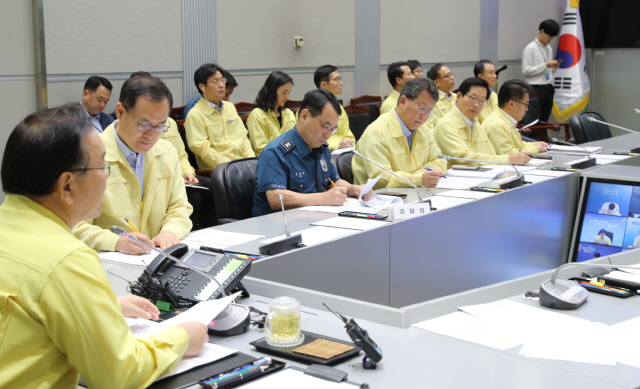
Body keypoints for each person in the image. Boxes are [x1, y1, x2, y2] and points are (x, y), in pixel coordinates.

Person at [0, 103, 208, 388]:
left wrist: (104, 306)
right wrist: (182, 338)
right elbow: (118, 373)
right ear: (67, 186)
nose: (107, 177)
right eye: (103, 166)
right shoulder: (67, 259)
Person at [74, 75, 193, 254]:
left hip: (156, 258)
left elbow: (180, 206)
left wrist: (170, 231)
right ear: (120, 112)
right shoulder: (87, 156)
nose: (152, 135)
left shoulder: (167, 151)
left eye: (160, 126)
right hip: (110, 262)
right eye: (144, 125)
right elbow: (75, 224)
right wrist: (116, 242)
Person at [252, 89, 372, 217]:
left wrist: (355, 189)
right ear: (304, 116)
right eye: (325, 127)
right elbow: (276, 198)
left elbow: (333, 181)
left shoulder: (321, 147)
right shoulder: (276, 152)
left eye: (333, 129)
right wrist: (322, 198)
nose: (328, 135)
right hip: (278, 227)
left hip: (313, 220)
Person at [352, 78, 446, 190]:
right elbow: (380, 178)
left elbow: (439, 160)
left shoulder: (422, 128)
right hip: (381, 200)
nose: (425, 116)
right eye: (422, 108)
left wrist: (419, 177)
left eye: (429, 111)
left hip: (415, 193)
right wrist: (418, 179)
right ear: (403, 101)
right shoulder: (376, 133)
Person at [434, 77, 532, 168]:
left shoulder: (477, 126)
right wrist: (508, 159)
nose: (477, 105)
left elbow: (491, 155)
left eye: (482, 101)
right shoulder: (446, 124)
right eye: (473, 98)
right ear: (459, 96)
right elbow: (463, 158)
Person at [185, 63, 255, 170]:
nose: (222, 85)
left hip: (243, 165)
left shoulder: (230, 107)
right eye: (215, 81)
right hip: (220, 170)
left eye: (222, 80)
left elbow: (243, 137)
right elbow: (202, 149)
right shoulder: (195, 115)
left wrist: (251, 160)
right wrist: (231, 167)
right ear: (202, 87)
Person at [484, 79, 549, 155]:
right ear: (511, 104)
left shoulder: (504, 119)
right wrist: (535, 149)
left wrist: (535, 145)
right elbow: (508, 154)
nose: (527, 109)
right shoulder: (497, 124)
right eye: (526, 104)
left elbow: (518, 145)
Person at [247, 71, 296, 155]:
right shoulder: (257, 116)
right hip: (271, 162)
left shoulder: (288, 113)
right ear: (272, 91)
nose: (287, 97)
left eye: (289, 92)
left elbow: (297, 141)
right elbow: (261, 150)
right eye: (284, 93)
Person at [522, 19, 560, 122]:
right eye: (549, 36)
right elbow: (526, 71)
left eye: (553, 37)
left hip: (548, 88)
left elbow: (549, 72)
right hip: (535, 89)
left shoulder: (549, 48)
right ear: (542, 31)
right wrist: (545, 65)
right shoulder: (530, 48)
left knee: (544, 120)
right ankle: (534, 138)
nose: (551, 39)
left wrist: (555, 67)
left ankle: (542, 138)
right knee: (534, 121)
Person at [313, 64, 356, 150]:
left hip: (343, 150)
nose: (340, 83)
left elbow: (346, 133)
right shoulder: (313, 106)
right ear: (324, 84)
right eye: (336, 79)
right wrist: (339, 145)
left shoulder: (338, 105)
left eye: (340, 79)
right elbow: (313, 137)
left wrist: (348, 141)